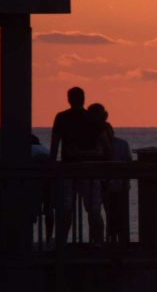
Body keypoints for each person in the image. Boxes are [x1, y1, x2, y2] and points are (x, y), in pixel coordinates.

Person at [50, 87, 109, 244]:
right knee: (94, 211)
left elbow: (54, 144)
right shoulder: (93, 119)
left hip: (67, 169)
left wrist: (51, 165)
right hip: (90, 170)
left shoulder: (62, 118)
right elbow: (106, 146)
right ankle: (98, 244)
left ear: (69, 99)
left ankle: (60, 245)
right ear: (84, 99)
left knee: (66, 209)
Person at [89, 104, 131, 245]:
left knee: (115, 214)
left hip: (116, 185)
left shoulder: (121, 144)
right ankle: (103, 240)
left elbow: (128, 163)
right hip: (104, 183)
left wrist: (125, 183)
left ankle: (115, 240)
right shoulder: (104, 144)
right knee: (102, 212)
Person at [30, 134, 54, 245]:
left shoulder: (28, 149)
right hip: (50, 179)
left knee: (31, 208)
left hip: (35, 179)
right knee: (48, 209)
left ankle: (28, 238)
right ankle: (49, 238)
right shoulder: (45, 148)